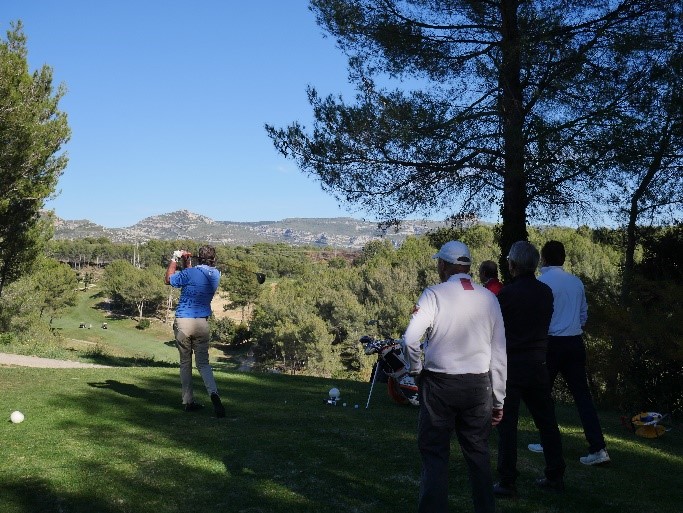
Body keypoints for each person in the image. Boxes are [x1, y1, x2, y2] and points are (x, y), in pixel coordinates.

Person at [402, 240, 507, 513]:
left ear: (444, 265)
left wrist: (416, 371)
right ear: (468, 266)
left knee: (435, 454)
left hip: (439, 383)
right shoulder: (489, 298)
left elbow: (410, 339)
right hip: (478, 385)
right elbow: (499, 354)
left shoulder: (434, 294)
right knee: (478, 454)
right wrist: (498, 400)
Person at [527, 240, 610, 465]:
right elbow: (584, 314)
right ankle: (598, 447)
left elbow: (536, 317)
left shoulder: (541, 283)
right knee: (583, 397)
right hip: (574, 342)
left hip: (551, 343)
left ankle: (548, 441)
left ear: (543, 258)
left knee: (543, 395)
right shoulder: (576, 283)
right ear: (563, 258)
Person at [494, 241, 566, 497]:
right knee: (547, 422)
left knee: (508, 425)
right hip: (538, 362)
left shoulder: (507, 295)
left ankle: (507, 480)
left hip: (512, 363)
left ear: (512, 265)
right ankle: (555, 474)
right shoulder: (545, 292)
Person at [165, 245, 225, 418]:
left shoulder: (191, 273)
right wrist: (187, 262)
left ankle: (188, 402)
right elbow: (193, 276)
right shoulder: (216, 275)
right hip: (202, 323)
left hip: (184, 321)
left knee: (185, 363)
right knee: (203, 364)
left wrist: (175, 258)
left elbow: (169, 279)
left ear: (199, 257)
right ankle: (214, 394)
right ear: (213, 259)